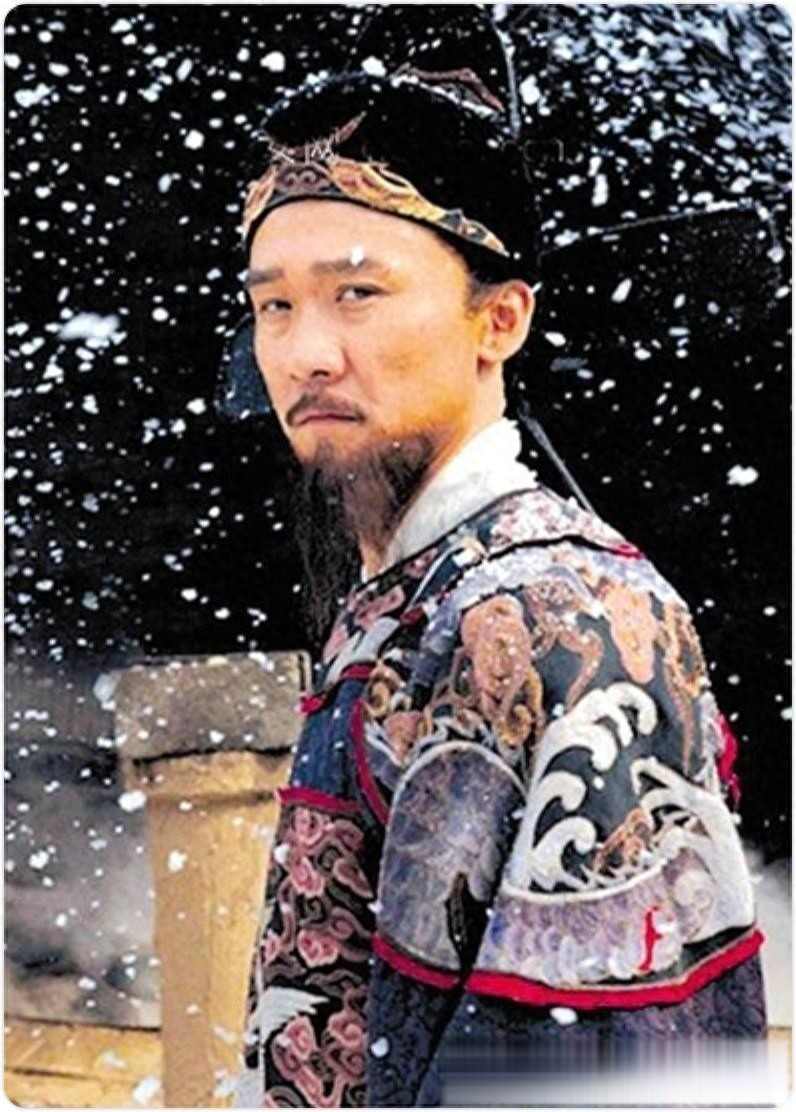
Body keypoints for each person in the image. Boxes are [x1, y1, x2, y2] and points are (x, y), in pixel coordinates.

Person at [232, 63, 767, 1108]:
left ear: (501, 320)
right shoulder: (404, 594)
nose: (305, 353)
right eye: (274, 305)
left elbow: (591, 1078)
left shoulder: (561, 614)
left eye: (356, 293)